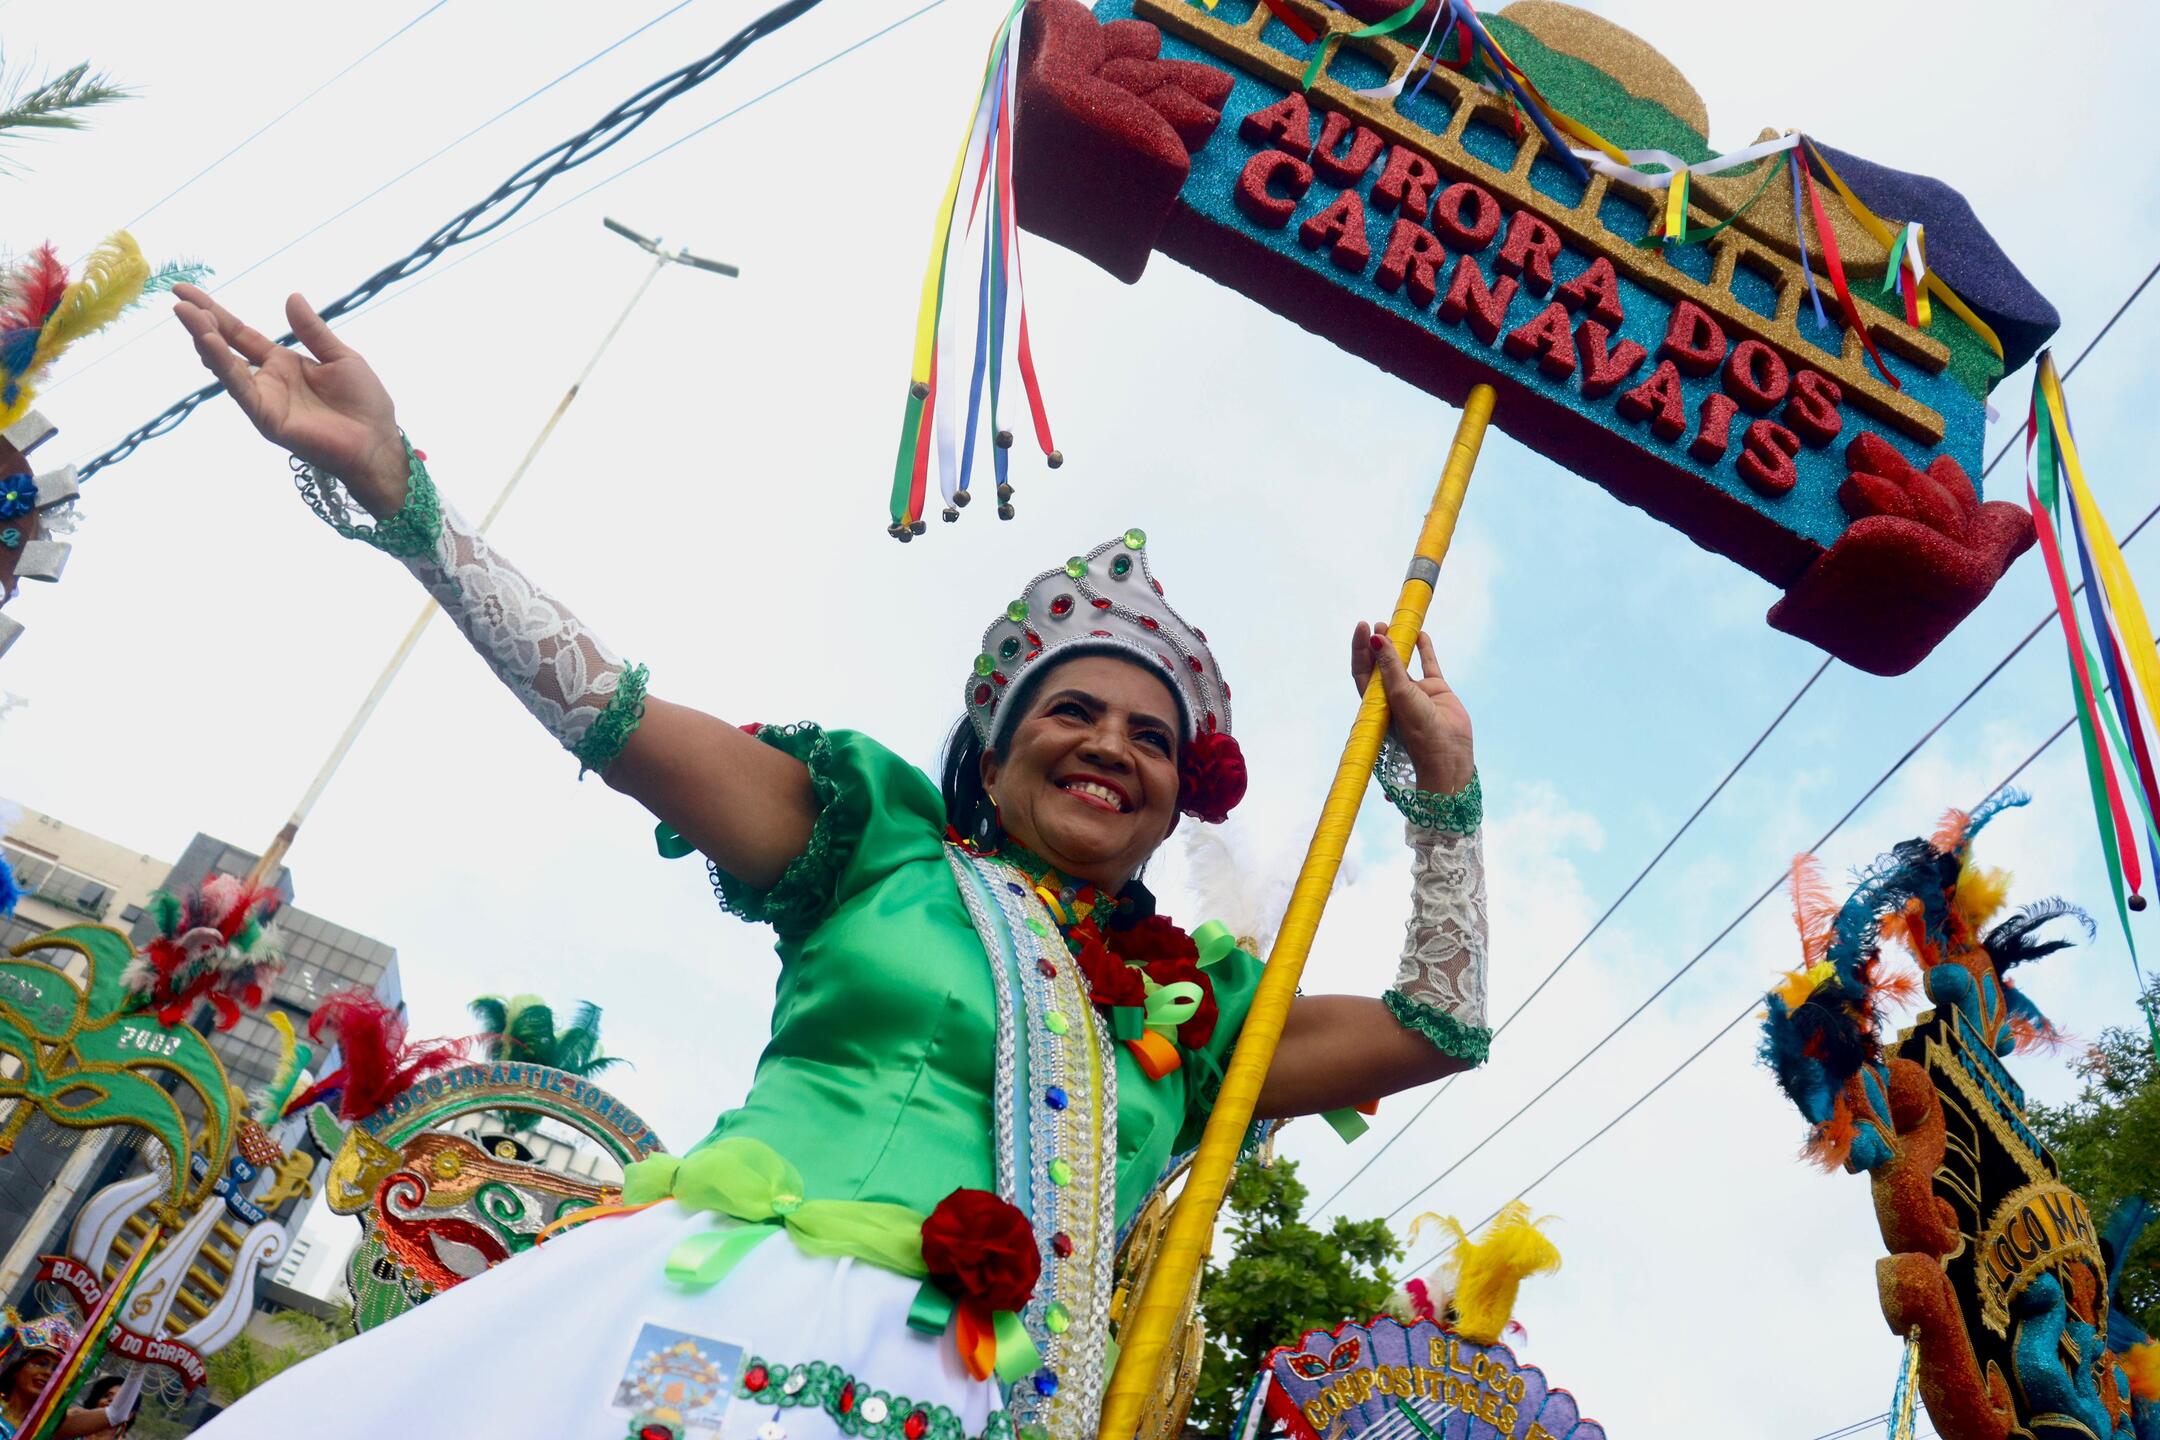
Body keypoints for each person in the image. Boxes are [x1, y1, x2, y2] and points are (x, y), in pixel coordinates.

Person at [171, 287, 1496, 1440]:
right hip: (731, 1333)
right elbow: (614, 716)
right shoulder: (877, 847)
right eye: (1072, 712)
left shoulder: (1196, 1017)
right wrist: (405, 496)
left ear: (1173, 805)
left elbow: (1439, 1022)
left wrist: (1444, 795)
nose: (1109, 745)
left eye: (1152, 737)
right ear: (993, 750)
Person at [0, 1318, 142, 1440]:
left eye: (57, 1370)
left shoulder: (50, 1425)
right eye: (41, 1363)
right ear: (17, 1370)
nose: (47, 1372)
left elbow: (117, 1413)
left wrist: (141, 1360)